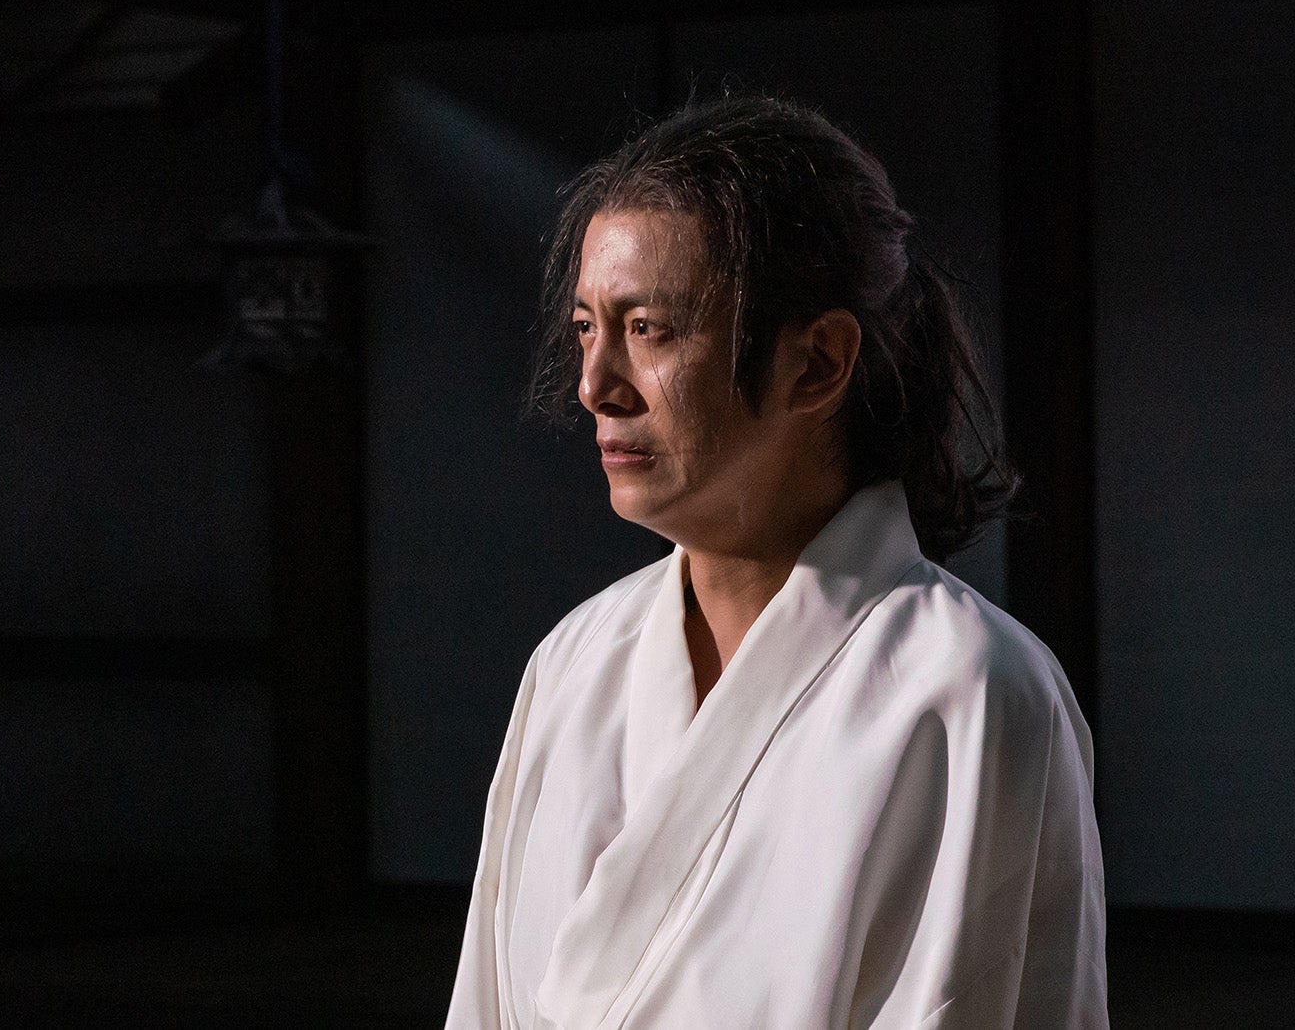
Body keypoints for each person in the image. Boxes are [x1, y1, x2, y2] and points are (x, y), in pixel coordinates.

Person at [446, 96, 1106, 1028]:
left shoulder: (968, 690)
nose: (595, 385)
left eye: (649, 328)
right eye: (588, 326)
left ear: (818, 362)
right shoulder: (572, 662)